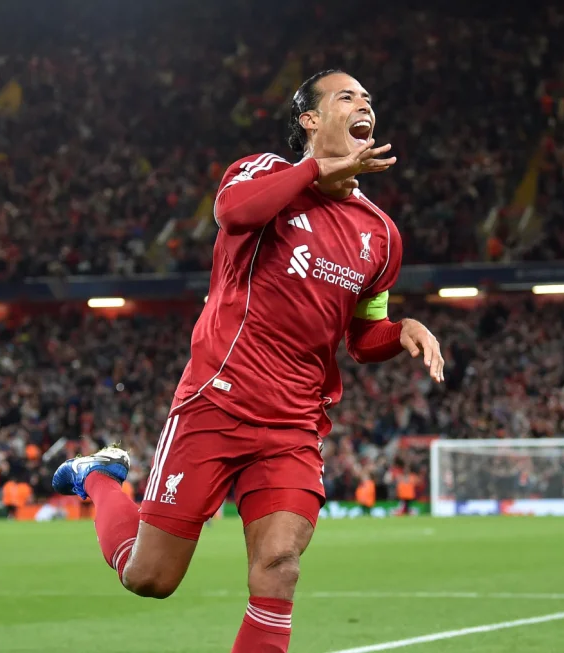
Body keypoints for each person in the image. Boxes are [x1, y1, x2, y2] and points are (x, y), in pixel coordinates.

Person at [52, 69, 444, 652]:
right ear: (310, 119)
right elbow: (233, 214)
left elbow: (364, 338)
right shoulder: (265, 172)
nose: (364, 104)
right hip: (217, 399)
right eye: (346, 96)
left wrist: (403, 329)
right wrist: (315, 170)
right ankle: (101, 479)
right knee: (150, 578)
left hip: (293, 422)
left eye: (367, 98)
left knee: (280, 563)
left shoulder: (381, 236)